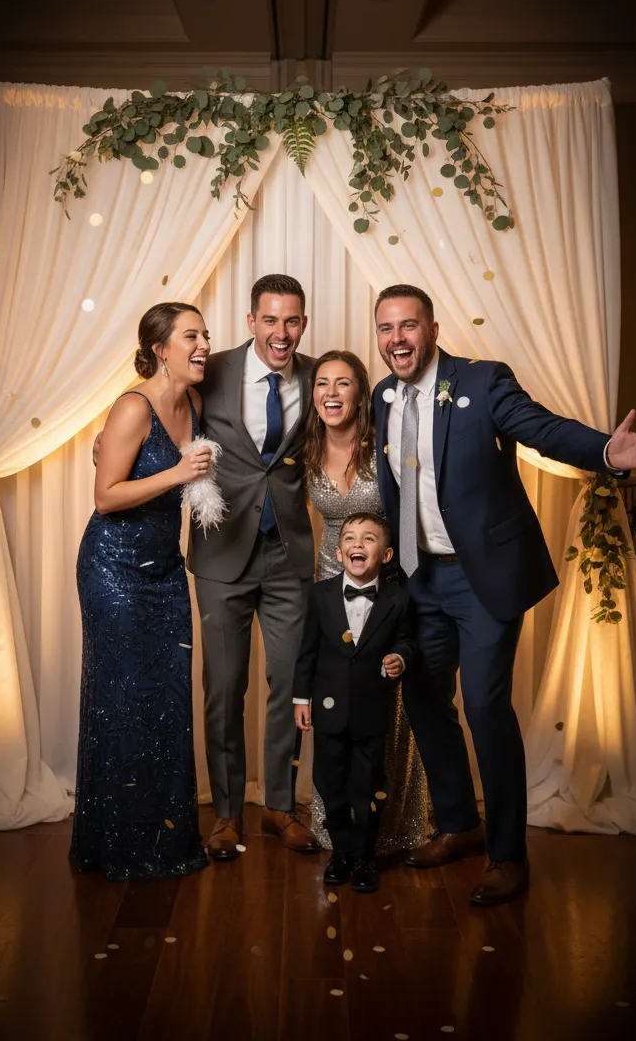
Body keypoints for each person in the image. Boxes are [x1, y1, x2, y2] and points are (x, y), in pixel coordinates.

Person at [372, 284, 636, 905]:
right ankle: (461, 825)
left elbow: (540, 428)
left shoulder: (483, 382)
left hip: (482, 577)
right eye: (385, 328)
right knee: (425, 698)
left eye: (408, 326)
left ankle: (508, 855)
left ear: (432, 328)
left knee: (484, 705)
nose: (396, 339)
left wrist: (605, 452)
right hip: (419, 576)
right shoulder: (382, 397)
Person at [71, 302, 213, 881]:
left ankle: (168, 842)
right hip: (114, 569)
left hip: (164, 571)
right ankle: (116, 846)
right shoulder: (134, 406)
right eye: (191, 336)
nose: (203, 344)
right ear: (160, 348)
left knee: (168, 703)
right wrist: (179, 474)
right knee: (122, 705)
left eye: (205, 335)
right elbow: (105, 497)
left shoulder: (195, 403)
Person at [189, 275, 320, 860]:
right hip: (221, 551)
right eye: (270, 320)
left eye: (291, 321)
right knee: (224, 689)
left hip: (289, 554)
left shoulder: (320, 377)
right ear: (250, 323)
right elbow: (160, 407)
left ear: (302, 325)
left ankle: (280, 806)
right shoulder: (210, 369)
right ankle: (225, 813)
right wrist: (106, 443)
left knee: (291, 686)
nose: (281, 333)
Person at [302, 349, 429, 854]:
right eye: (322, 385)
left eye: (344, 384)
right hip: (329, 583)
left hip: (387, 582)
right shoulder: (303, 446)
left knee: (386, 702)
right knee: (335, 707)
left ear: (362, 394)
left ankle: (395, 825)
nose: (331, 394)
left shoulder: (387, 445)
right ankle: (333, 824)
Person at [293, 513, 415, 893]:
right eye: (349, 538)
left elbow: (407, 640)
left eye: (368, 539)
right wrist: (301, 698)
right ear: (338, 550)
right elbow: (307, 651)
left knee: (368, 785)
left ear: (387, 554)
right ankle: (341, 851)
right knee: (331, 783)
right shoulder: (320, 594)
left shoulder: (399, 598)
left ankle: (365, 856)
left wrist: (401, 658)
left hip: (371, 711)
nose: (357, 544)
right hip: (328, 711)